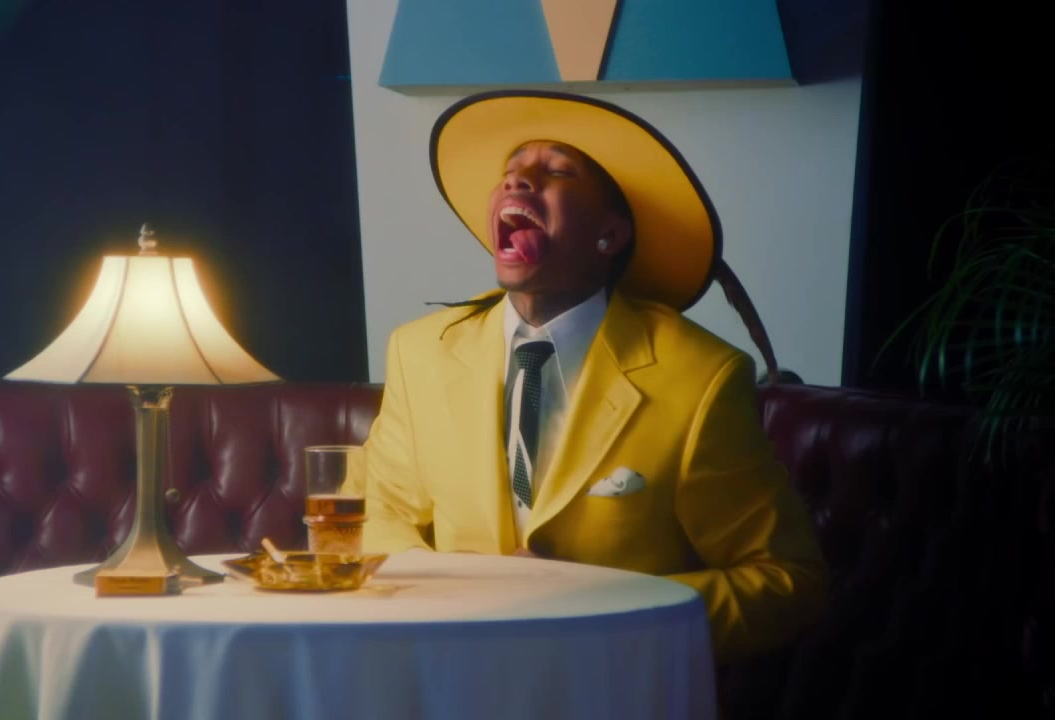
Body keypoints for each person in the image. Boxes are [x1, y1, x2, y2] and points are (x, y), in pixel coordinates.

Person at [350, 90, 827, 663]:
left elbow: (787, 582)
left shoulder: (703, 377)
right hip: (453, 681)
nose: (517, 180)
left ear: (610, 235)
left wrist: (599, 605)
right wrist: (467, 596)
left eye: (557, 172)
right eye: (510, 171)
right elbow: (376, 515)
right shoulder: (419, 352)